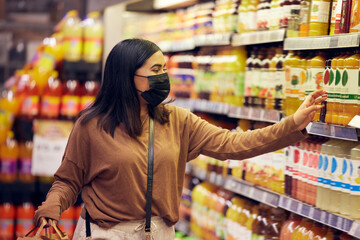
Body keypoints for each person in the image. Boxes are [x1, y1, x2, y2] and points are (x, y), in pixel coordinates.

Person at [34, 38, 326, 239]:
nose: (164, 77)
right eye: (156, 70)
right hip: (106, 234)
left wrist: (292, 125)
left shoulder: (176, 120)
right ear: (126, 76)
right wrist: (50, 210)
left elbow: (234, 144)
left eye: (165, 69)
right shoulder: (91, 125)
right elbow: (69, 180)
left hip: (160, 233)